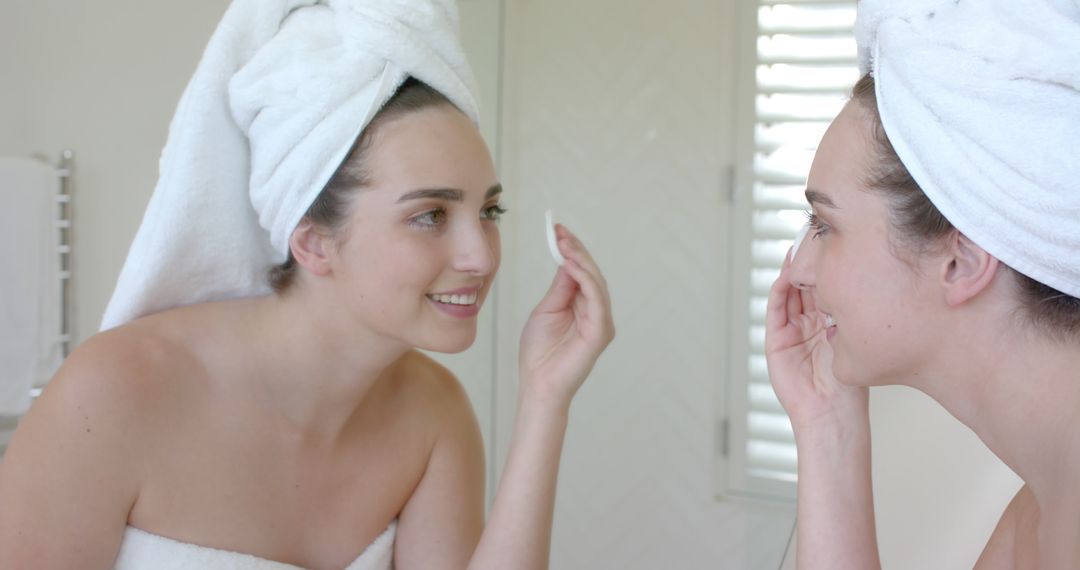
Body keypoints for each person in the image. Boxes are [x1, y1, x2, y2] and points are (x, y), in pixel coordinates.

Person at [0, 1, 615, 569]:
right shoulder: (115, 393)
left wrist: (545, 400)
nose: (480, 255)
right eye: (430, 215)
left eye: (489, 212)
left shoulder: (434, 416)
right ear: (313, 240)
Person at [765, 0, 1080, 568]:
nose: (799, 272)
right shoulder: (1038, 515)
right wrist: (824, 421)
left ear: (960, 261)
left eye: (824, 225)